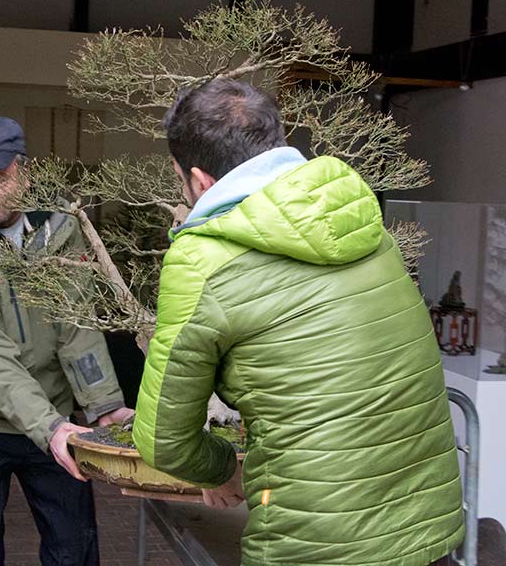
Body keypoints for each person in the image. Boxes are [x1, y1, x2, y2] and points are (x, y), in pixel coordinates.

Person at [132, 79, 464, 566]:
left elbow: (163, 441)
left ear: (200, 181)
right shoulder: (360, 217)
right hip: (426, 526)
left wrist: (225, 471)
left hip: (314, 542)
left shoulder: (202, 260)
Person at [0, 115, 133, 566]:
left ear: (27, 171)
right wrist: (50, 428)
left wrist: (103, 404)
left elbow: (74, 325)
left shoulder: (61, 229)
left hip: (54, 408)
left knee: (74, 549)